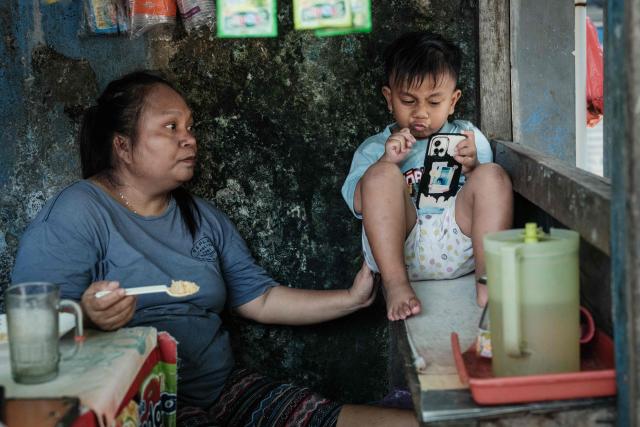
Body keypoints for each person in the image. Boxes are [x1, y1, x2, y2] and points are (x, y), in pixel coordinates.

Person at [11, 71, 418, 427]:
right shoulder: (80, 212)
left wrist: (351, 299)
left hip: (224, 390)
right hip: (142, 405)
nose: (189, 139)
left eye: (190, 126)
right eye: (171, 127)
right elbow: (31, 326)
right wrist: (87, 314)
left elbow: (259, 299)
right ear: (123, 145)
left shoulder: (200, 217)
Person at [341, 31, 513, 321]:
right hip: (399, 250)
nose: (421, 113)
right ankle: (396, 286)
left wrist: (473, 169)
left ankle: (488, 282)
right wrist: (386, 161)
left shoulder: (466, 137)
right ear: (389, 98)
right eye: (408, 101)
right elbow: (358, 204)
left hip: (459, 242)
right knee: (380, 176)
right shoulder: (373, 148)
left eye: (434, 102)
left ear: (453, 101)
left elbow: (487, 202)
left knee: (493, 176)